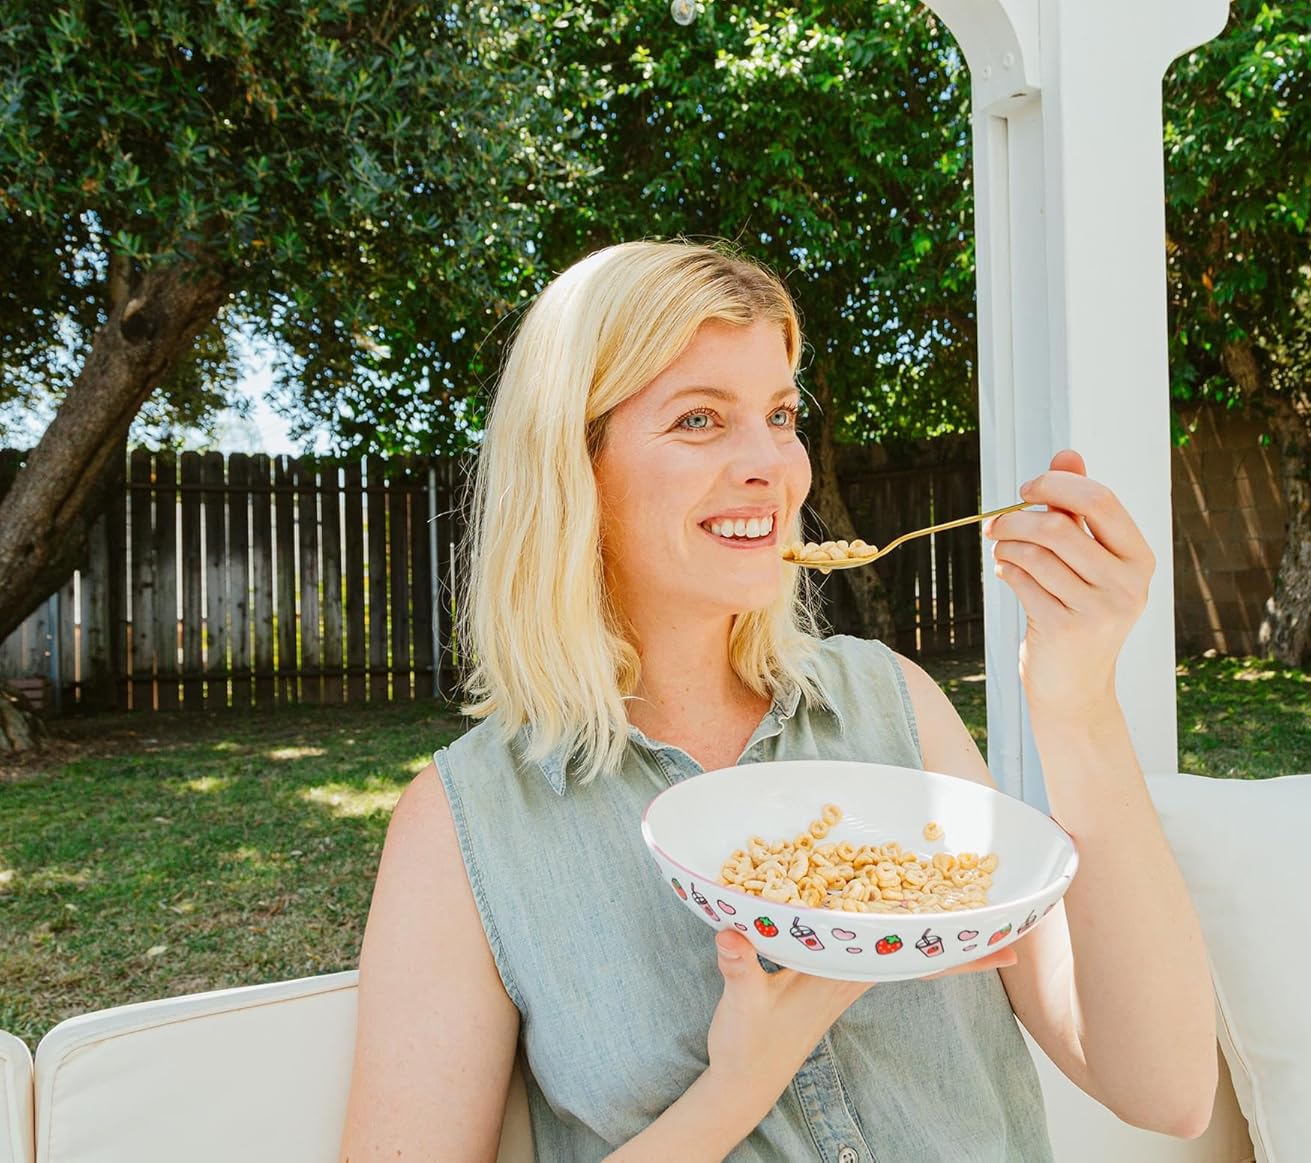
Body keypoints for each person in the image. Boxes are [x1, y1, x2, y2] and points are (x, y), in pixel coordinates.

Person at [338, 240, 1217, 1162]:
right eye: (699, 420)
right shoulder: (467, 822)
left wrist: (1075, 697)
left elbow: (1167, 1085)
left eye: (780, 412)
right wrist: (738, 1087)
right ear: (572, 467)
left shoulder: (893, 707)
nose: (772, 464)